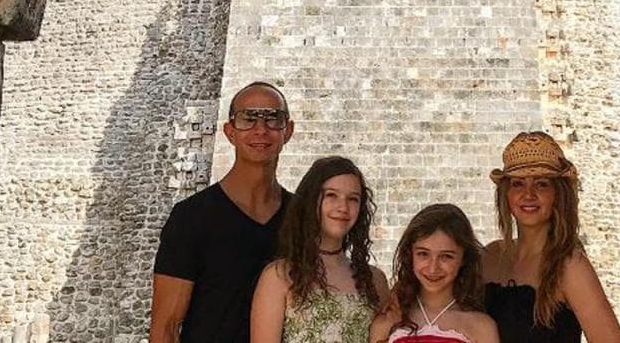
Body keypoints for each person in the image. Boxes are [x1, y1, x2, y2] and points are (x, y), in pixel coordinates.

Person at [149, 82, 294, 343]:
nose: (261, 129)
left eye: (273, 119)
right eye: (248, 119)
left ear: (288, 130)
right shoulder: (191, 218)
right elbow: (165, 327)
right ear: (230, 132)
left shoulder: (303, 218)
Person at [483, 131, 620, 343]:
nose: (528, 194)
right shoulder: (489, 257)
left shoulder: (570, 267)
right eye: (518, 183)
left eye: (541, 183)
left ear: (558, 193)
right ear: (506, 193)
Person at [251, 156, 389, 343]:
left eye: (353, 199)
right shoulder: (279, 276)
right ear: (311, 200)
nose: (343, 207)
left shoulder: (375, 281)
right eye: (331, 195)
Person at [370, 203, 499, 343]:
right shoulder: (387, 322)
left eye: (446, 256)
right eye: (423, 254)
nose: (433, 268)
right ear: (410, 254)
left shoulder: (481, 327)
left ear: (464, 258)